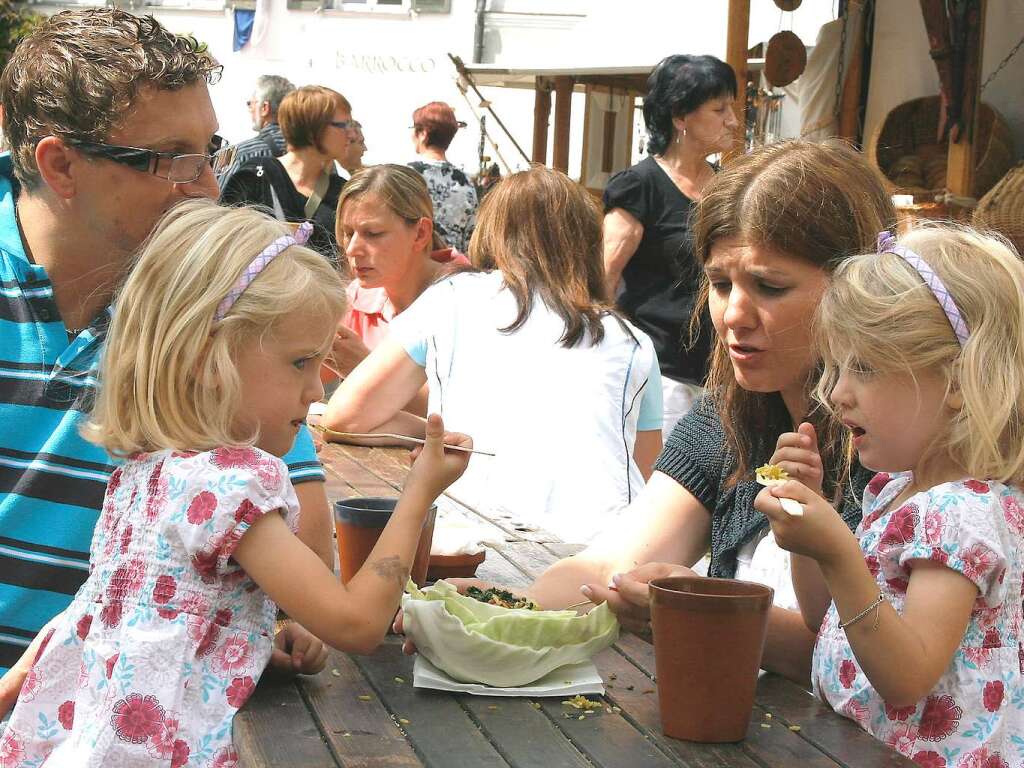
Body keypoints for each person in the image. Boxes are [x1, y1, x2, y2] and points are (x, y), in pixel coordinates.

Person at [0, 200, 470, 764]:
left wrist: (241, 640)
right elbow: (358, 623)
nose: (317, 391)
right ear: (208, 357)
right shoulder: (235, 486)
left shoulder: (141, 474)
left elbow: (140, 621)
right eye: (300, 362)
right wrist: (419, 492)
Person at [436, 141, 897, 684]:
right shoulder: (725, 423)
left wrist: (697, 611)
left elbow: (880, 658)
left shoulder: (900, 446)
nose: (734, 315)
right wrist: (506, 607)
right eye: (722, 284)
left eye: (770, 286)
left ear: (857, 287)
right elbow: (614, 563)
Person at [0, 8, 332, 698]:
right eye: (171, 161)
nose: (208, 187)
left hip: (117, 713)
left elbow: (305, 546)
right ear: (60, 164)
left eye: (211, 153)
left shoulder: (209, 297)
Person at [755, 225, 1024, 763]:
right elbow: (826, 615)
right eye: (837, 366)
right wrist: (813, 532)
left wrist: (836, 548)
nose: (835, 393)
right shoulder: (899, 493)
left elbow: (907, 676)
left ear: (954, 382)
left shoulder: (962, 513)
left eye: (865, 368)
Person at [323, 166, 663, 545]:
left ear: (492, 231)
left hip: (481, 538)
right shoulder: (633, 341)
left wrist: (447, 438)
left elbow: (344, 417)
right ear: (587, 238)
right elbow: (649, 480)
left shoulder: (452, 298)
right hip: (601, 547)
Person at [603, 54, 739, 440]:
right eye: (719, 109)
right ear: (680, 117)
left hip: (722, 374)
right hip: (660, 378)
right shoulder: (640, 186)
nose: (732, 119)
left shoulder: (729, 187)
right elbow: (603, 281)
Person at [330, 164, 469, 381]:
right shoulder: (358, 298)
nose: (351, 249)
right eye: (348, 233)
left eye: (373, 233)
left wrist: (366, 370)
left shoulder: (468, 302)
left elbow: (460, 406)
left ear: (421, 233)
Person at [220, 85, 352, 261]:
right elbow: (225, 244)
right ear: (313, 128)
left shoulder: (340, 190)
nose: (350, 134)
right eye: (343, 125)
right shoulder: (254, 178)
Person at [408, 101, 478, 254]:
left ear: (423, 134)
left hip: (413, 269)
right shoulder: (465, 183)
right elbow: (470, 239)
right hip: (453, 269)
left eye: (413, 128)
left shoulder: (406, 176)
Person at [214, 74, 295, 188]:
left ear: (264, 108)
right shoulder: (310, 153)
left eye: (250, 103)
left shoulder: (238, 154)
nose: (249, 109)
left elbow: (218, 202)